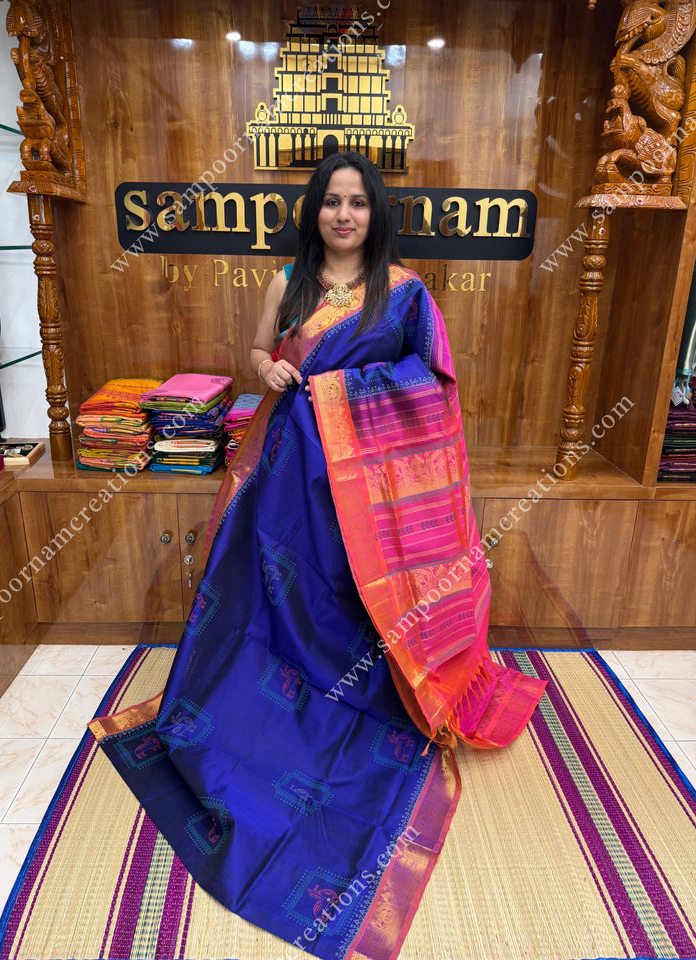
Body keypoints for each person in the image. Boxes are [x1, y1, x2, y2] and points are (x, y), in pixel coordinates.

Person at [91, 152, 546, 960]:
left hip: (366, 488)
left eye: (357, 203)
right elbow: (262, 359)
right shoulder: (287, 285)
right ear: (315, 213)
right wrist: (267, 367)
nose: (342, 215)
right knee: (277, 594)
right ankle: (258, 706)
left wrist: (339, 394)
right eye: (331, 203)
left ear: (374, 214)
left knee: (347, 596)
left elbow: (431, 385)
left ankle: (359, 702)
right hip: (289, 474)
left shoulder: (404, 291)